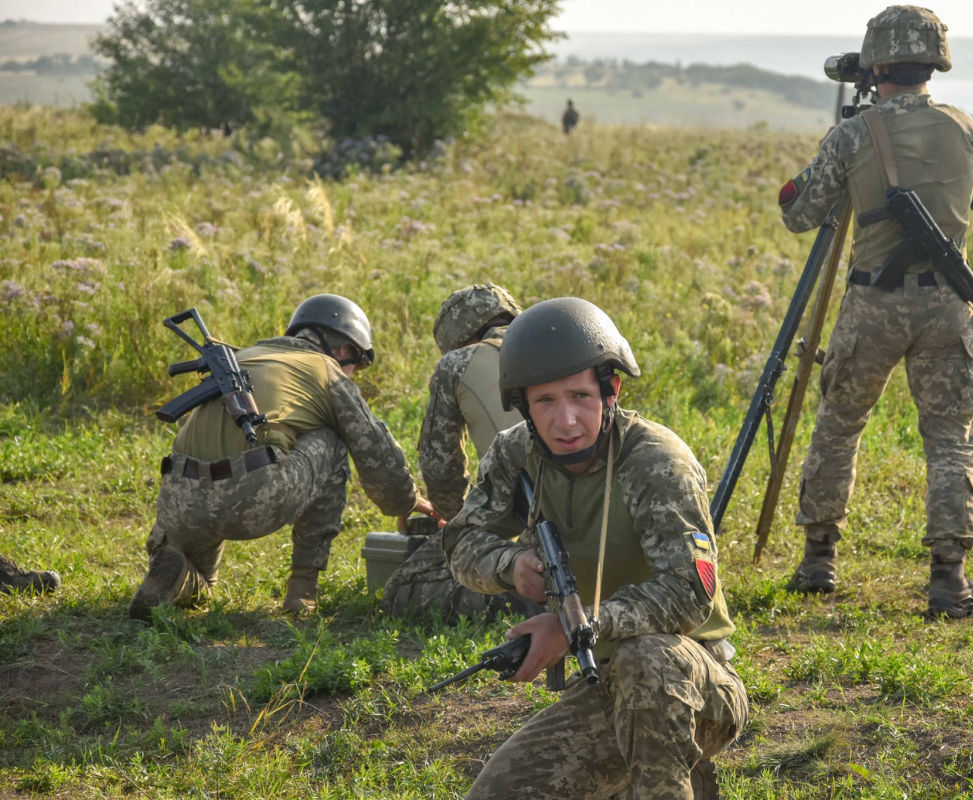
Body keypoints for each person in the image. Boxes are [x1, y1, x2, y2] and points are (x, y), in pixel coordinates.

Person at [443, 297, 748, 799]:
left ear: (611, 391)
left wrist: (578, 625)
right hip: (602, 686)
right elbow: (459, 542)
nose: (566, 421)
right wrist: (511, 565)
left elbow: (691, 591)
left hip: (694, 679)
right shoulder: (517, 453)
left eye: (580, 396)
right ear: (522, 404)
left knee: (645, 661)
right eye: (545, 401)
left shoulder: (654, 461)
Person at [776, 5, 973, 618]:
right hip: (946, 305)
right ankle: (949, 580)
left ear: (876, 63)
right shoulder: (966, 128)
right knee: (951, 439)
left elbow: (800, 214)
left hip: (871, 304)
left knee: (838, 423)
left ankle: (818, 560)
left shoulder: (854, 133)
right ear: (935, 61)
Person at [129, 293, 433, 621]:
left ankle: (174, 573)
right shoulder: (327, 370)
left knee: (202, 584)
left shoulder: (244, 356)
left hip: (180, 499)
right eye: (355, 365)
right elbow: (375, 449)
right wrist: (406, 501)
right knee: (331, 443)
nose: (352, 375)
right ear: (343, 350)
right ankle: (302, 590)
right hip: (250, 498)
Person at [381, 283, 538, 621]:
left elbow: (442, 466)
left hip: (534, 516)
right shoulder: (559, 344)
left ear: (456, 337)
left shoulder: (457, 363)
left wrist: (455, 522)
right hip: (598, 510)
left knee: (403, 591)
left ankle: (535, 600)